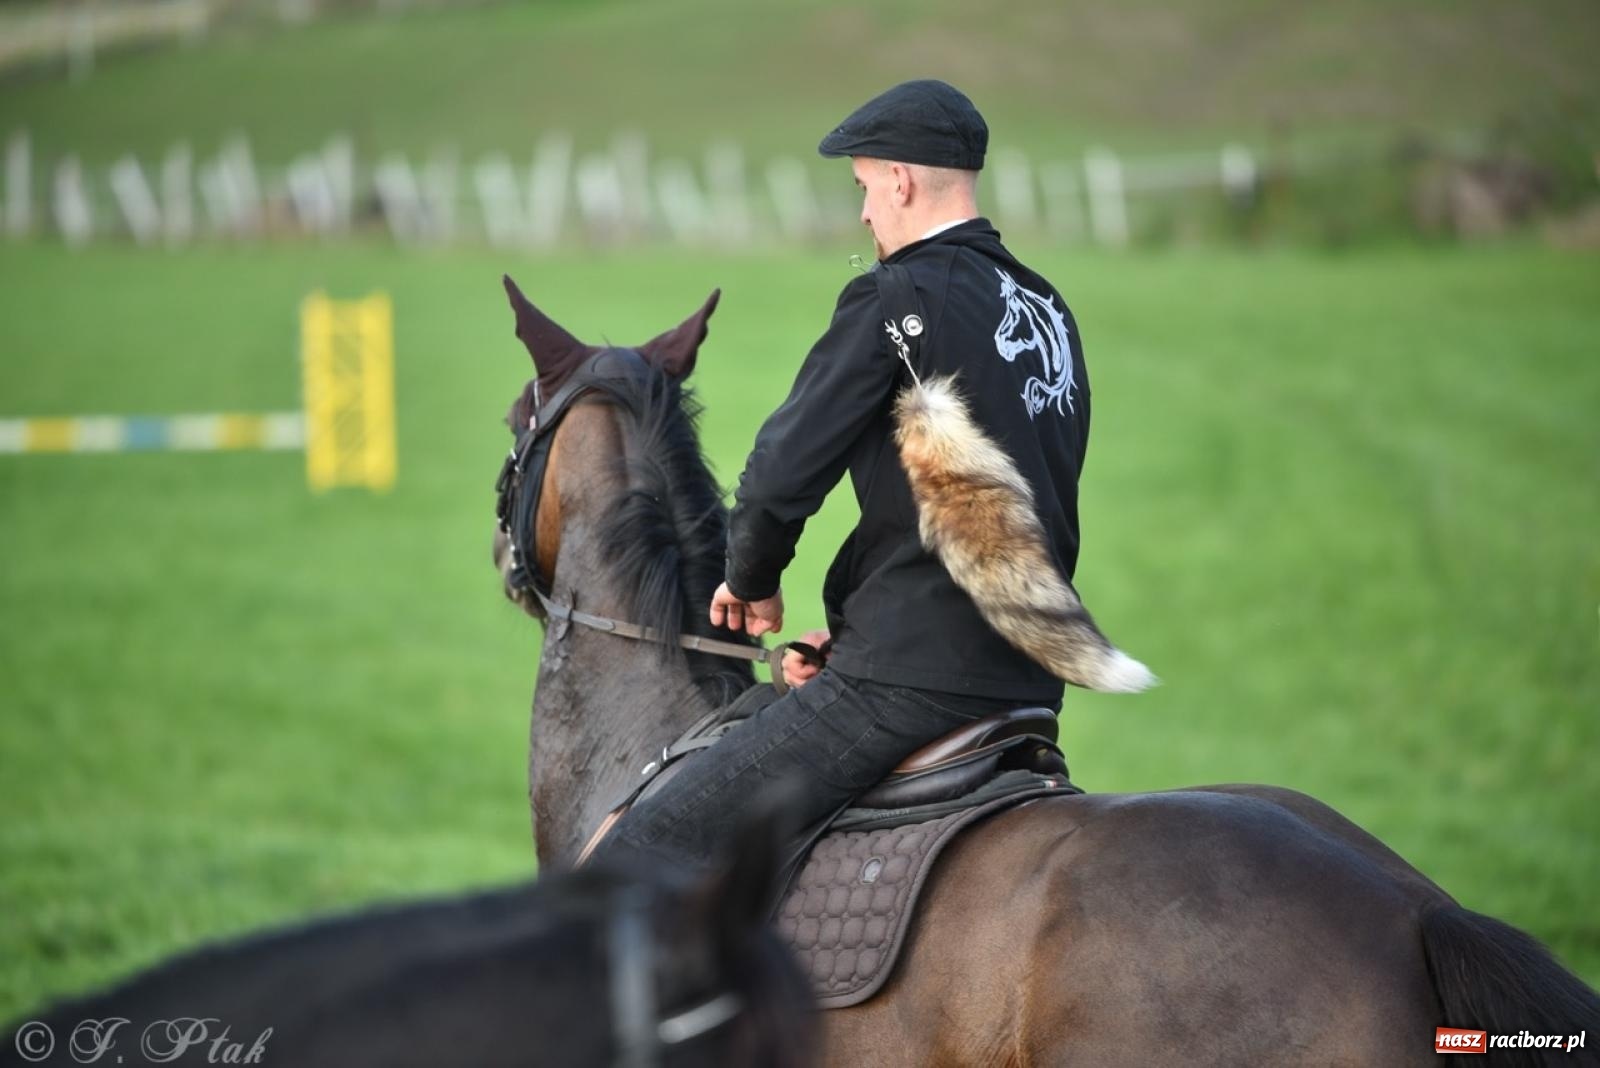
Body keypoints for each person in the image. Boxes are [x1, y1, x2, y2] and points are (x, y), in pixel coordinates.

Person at [595, 79, 1103, 873]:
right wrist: (862, 623)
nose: (864, 214)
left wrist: (751, 578)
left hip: (914, 684)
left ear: (899, 181)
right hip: (1032, 684)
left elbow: (778, 477)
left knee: (640, 850)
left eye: (865, 187)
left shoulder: (892, 299)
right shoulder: (1047, 309)